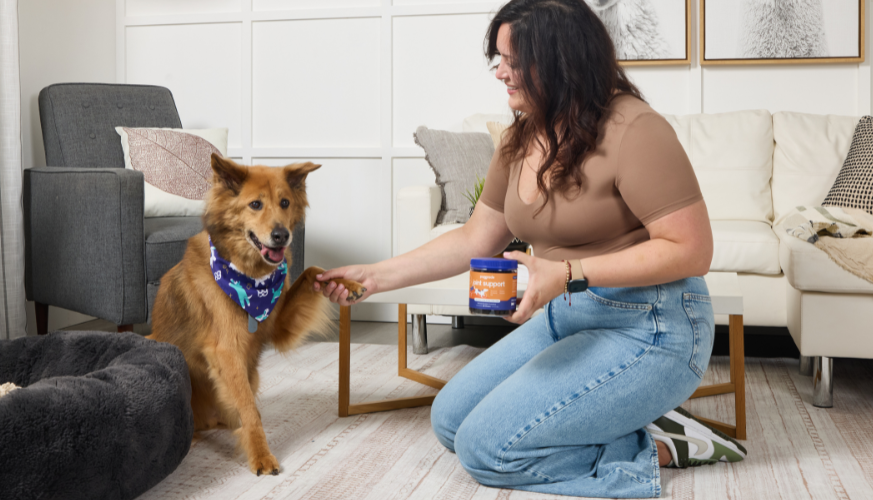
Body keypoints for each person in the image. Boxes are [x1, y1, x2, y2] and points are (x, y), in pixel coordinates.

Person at [314, 0, 746, 497]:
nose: (499, 72)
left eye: (513, 60)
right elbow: (476, 238)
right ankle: (626, 420)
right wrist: (376, 276)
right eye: (496, 58)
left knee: (487, 449)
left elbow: (692, 250)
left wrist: (565, 273)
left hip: (653, 326)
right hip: (569, 317)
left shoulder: (636, 130)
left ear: (562, 58)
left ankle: (666, 443)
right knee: (451, 421)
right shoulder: (520, 137)